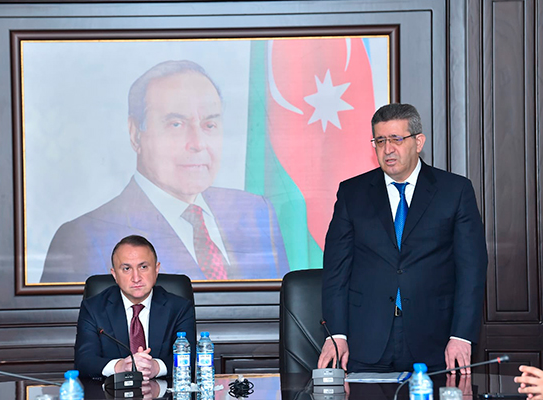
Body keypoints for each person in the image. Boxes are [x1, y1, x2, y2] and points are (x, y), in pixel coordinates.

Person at [41, 60, 289, 283]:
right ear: (135, 134)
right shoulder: (84, 239)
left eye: (209, 124)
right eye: (176, 124)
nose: (198, 143)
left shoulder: (256, 213)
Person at [317, 103, 488, 373]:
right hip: (365, 339)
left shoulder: (455, 191)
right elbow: (336, 270)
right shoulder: (352, 193)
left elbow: (472, 270)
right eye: (380, 140)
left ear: (418, 142)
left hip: (437, 340)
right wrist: (336, 334)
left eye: (396, 139)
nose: (387, 149)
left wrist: (461, 335)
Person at [74, 235, 196, 379]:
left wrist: (156, 367)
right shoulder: (93, 308)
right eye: (126, 269)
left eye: (143, 267)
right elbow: (84, 361)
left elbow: (189, 357)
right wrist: (120, 366)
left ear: (156, 269)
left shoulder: (179, 307)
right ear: (114, 274)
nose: (136, 278)